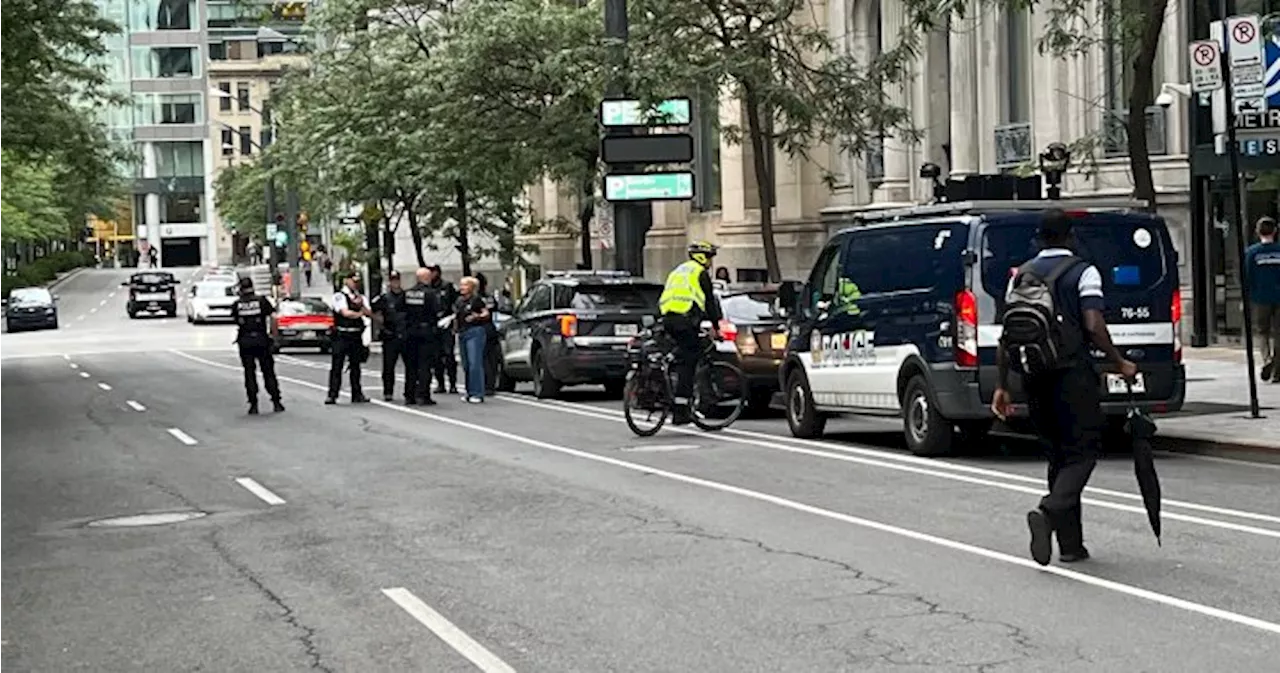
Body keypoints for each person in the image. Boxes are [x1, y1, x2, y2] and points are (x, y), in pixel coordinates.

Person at [991, 209, 1137, 566]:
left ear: (1040, 238)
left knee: (1058, 456)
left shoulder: (1020, 275)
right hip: (1072, 374)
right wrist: (1118, 361)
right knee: (1083, 452)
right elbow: (1092, 322)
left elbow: (1007, 334)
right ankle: (1050, 509)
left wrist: (1003, 386)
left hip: (1033, 375)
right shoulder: (1083, 271)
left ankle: (1071, 546)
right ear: (1070, 236)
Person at [658, 241, 724, 425]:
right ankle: (681, 411)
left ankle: (669, 363)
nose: (711, 262)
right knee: (690, 359)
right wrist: (716, 328)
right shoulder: (699, 273)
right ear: (702, 257)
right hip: (685, 320)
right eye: (710, 257)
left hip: (670, 319)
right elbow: (710, 302)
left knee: (682, 350)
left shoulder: (678, 271)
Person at [230, 277, 284, 415]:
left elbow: (236, 320)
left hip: (245, 341)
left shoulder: (237, 304)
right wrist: (275, 336)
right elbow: (273, 318)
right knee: (268, 371)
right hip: (261, 339)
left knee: (249, 373)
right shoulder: (261, 301)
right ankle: (276, 401)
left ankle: (253, 404)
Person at [326, 271, 373, 404]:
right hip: (342, 334)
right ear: (346, 281)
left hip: (356, 335)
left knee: (356, 366)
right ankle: (332, 394)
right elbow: (345, 312)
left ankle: (357, 394)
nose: (355, 284)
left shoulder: (361, 297)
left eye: (357, 281)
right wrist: (360, 313)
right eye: (353, 281)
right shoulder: (339, 296)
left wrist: (362, 306)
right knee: (337, 366)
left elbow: (369, 313)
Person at [1246, 216, 1280, 382]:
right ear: (1275, 231)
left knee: (1262, 332)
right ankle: (1277, 368)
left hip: (1260, 298)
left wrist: (1245, 297)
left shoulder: (1252, 253)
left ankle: (1267, 359)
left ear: (1258, 232)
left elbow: (1246, 277)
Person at [401, 267, 442, 405]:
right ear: (427, 278)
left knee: (411, 366)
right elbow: (436, 311)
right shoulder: (430, 294)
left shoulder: (407, 293)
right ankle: (423, 395)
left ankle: (409, 395)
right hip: (425, 333)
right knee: (424, 365)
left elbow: (400, 311)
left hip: (410, 333)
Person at [372, 270, 409, 402]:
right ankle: (388, 391)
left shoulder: (407, 296)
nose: (395, 283)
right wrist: (381, 324)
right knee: (388, 367)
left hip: (405, 335)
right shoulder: (384, 298)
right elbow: (373, 311)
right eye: (393, 280)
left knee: (410, 366)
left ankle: (409, 392)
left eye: (397, 280)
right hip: (390, 335)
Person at [454, 276, 490, 404]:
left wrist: (477, 316)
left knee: (475, 363)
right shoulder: (459, 301)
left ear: (472, 287)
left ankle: (478, 393)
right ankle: (469, 391)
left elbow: (486, 313)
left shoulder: (476, 300)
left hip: (475, 332)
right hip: (462, 332)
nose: (462, 287)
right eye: (461, 285)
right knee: (466, 364)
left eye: (465, 285)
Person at [427, 265, 459, 394]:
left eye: (432, 272)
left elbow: (455, 305)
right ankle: (440, 383)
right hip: (433, 325)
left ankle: (452, 383)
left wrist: (453, 322)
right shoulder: (428, 288)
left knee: (449, 355)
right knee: (435, 356)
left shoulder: (448, 286)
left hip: (446, 324)